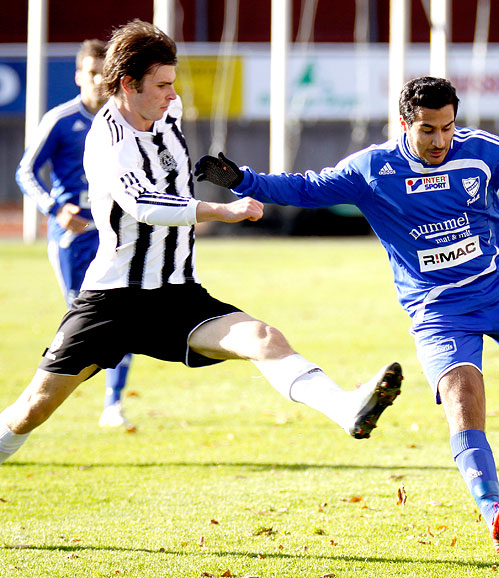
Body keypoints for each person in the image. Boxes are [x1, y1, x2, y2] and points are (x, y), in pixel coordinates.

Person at [194, 76, 499, 555]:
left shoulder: (480, 152)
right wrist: (242, 180)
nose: (441, 141)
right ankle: (495, 514)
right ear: (405, 122)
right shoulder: (373, 169)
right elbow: (306, 188)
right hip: (438, 310)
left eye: (448, 127)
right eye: (428, 129)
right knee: (463, 396)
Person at [0, 20, 402, 468]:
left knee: (263, 337)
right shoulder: (105, 140)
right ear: (128, 85)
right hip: (112, 300)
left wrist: (223, 177)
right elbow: (143, 205)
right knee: (32, 409)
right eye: (162, 85)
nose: (173, 94)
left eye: (173, 83)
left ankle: (346, 408)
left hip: (176, 294)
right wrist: (221, 210)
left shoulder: (167, 113)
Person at [16, 39, 135, 428]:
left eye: (104, 72)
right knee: (83, 318)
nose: (98, 79)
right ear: (78, 75)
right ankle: (43, 394)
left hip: (115, 232)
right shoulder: (61, 120)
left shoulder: (127, 121)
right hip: (72, 237)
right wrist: (54, 208)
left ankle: (113, 405)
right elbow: (26, 172)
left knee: (123, 315)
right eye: (91, 72)